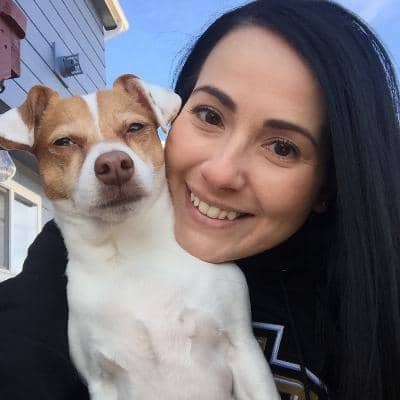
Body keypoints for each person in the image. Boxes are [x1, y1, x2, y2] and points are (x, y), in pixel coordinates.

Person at [0, 0, 399, 399]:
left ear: (330, 183)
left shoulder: (372, 300)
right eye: (210, 116)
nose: (220, 173)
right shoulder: (62, 266)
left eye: (282, 147)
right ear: (177, 112)